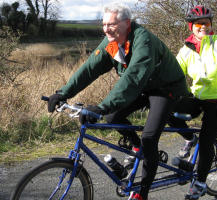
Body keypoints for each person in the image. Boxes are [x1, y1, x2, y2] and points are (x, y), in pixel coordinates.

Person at [47, 3, 190, 200]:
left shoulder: (143, 41)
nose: (106, 29)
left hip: (166, 89)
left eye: (111, 24)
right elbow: (90, 69)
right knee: (113, 115)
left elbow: (132, 78)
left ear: (126, 23)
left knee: (149, 139)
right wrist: (62, 93)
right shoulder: (112, 42)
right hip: (144, 86)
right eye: (104, 24)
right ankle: (136, 146)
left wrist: (101, 106)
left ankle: (142, 192)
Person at [173, 5, 217, 200]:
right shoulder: (186, 49)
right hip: (198, 98)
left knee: (206, 142)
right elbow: (175, 74)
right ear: (191, 26)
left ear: (211, 24)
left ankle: (201, 183)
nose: (203, 26)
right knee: (167, 110)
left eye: (206, 22)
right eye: (198, 23)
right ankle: (190, 138)